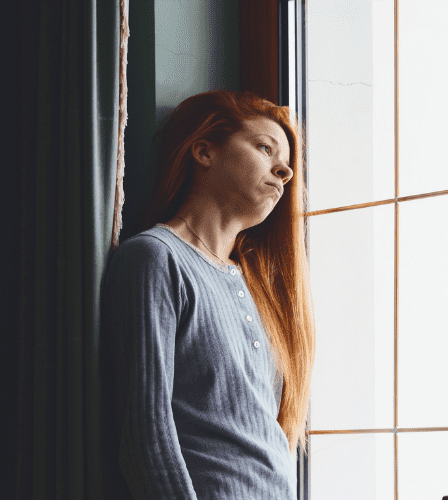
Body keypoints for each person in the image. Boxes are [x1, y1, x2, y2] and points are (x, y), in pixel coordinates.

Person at [100, 90, 316, 499]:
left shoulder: (254, 287)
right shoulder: (156, 258)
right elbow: (147, 437)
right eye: (265, 148)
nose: (283, 173)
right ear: (204, 151)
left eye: (286, 166)